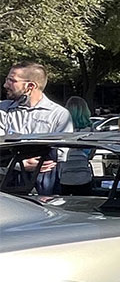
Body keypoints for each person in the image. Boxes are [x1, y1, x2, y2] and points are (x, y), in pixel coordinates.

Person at [0, 62, 73, 194]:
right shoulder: (2, 110)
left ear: (30, 86)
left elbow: (61, 155)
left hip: (45, 188)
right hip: (5, 185)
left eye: (12, 80)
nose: (5, 85)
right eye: (7, 79)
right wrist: (19, 164)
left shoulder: (59, 114)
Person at [59, 96, 96, 195]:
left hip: (64, 174)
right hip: (83, 174)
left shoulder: (62, 129)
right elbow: (91, 155)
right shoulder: (91, 130)